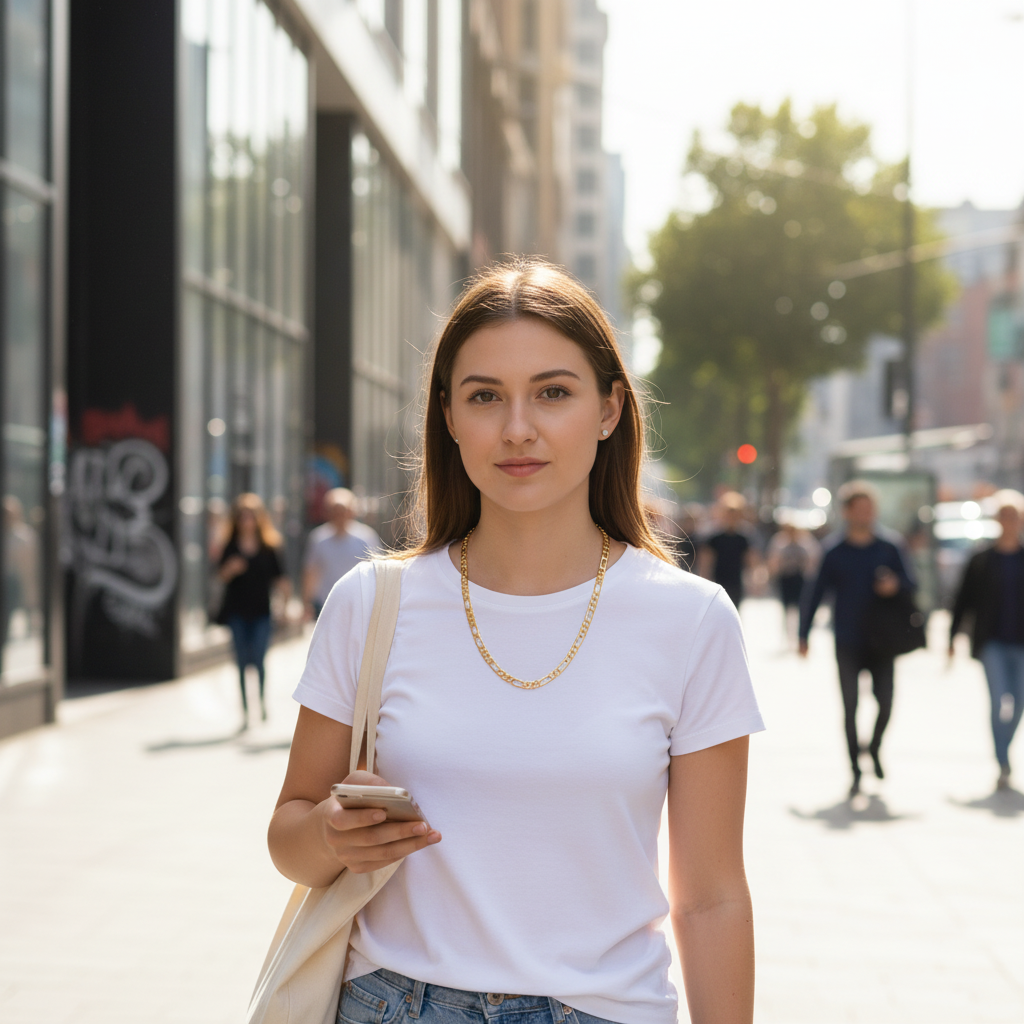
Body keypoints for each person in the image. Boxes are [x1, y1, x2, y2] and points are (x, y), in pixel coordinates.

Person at [268, 260, 764, 1024]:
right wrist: (336, 836)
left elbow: (712, 898)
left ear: (609, 410)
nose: (517, 428)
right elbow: (289, 837)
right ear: (448, 415)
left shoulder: (691, 620)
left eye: (553, 392)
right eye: (485, 397)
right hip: (392, 1004)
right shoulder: (372, 602)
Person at [799, 481, 916, 796]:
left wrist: (895, 585)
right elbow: (815, 592)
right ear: (847, 512)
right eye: (860, 509)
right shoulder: (834, 551)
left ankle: (874, 747)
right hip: (847, 639)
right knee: (850, 706)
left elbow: (911, 583)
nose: (866, 514)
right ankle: (854, 769)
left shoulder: (890, 547)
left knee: (886, 702)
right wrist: (803, 633)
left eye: (870, 509)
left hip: (883, 640)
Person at [949, 489, 1024, 791]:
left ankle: (1003, 749)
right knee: (998, 701)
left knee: (1018, 702)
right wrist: (952, 637)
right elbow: (962, 599)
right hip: (991, 641)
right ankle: (1002, 759)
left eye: (1014, 517)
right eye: (1004, 516)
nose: (1009, 522)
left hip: (1021, 642)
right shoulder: (982, 559)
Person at [217, 493, 290, 727]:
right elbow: (220, 576)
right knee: (240, 662)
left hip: (261, 612)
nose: (246, 521)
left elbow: (282, 580)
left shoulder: (269, 546)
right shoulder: (230, 545)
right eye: (242, 517)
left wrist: (285, 607)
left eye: (251, 516)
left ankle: (261, 703)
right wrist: (231, 568)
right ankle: (245, 711)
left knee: (258, 660)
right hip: (237, 612)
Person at [302, 487, 380, 620]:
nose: (339, 516)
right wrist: (307, 602)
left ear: (351, 512)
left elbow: (378, 570)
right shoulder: (319, 538)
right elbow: (311, 572)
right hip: (327, 603)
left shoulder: (366, 537)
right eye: (334, 511)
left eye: (343, 511)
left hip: (359, 603)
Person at [767, 517, 820, 648]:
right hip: (785, 578)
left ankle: (800, 634)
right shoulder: (779, 542)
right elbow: (773, 559)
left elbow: (814, 558)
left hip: (800, 579)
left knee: (801, 607)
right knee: (787, 608)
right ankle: (788, 635)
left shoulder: (806, 542)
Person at [700, 491, 754, 607]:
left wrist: (754, 579)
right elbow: (706, 562)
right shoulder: (713, 537)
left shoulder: (744, 537)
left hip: (736, 582)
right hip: (717, 583)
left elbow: (750, 559)